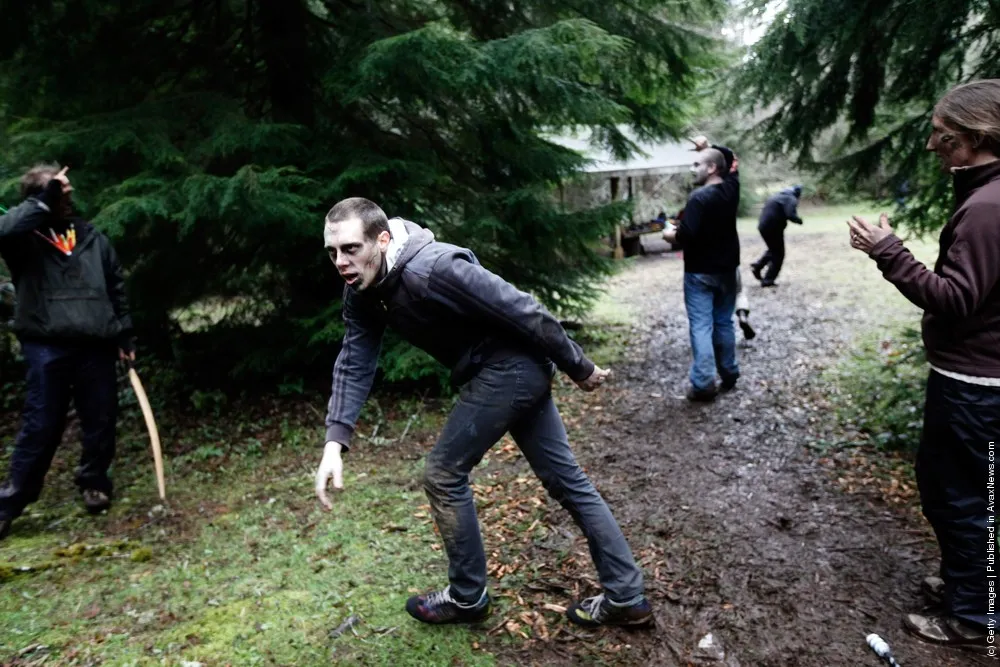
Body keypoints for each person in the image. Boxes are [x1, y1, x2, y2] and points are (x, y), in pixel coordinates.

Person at [314, 198, 651, 628]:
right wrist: (334, 441)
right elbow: (355, 358)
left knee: (442, 473)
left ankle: (467, 596)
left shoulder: (435, 269)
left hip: (511, 369)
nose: (340, 262)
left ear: (381, 239)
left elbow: (522, 308)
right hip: (503, 371)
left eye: (350, 249)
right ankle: (627, 596)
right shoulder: (363, 288)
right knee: (566, 479)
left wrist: (577, 366)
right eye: (332, 252)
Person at [847, 79, 1000, 652]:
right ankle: (971, 589)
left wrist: (888, 251)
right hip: (977, 379)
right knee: (950, 491)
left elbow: (957, 298)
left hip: (976, 387)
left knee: (963, 498)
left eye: (942, 136)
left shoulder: (988, 207)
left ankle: (973, 619)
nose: (933, 146)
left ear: (975, 137)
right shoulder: (986, 194)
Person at [0, 165, 134, 541]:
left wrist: (124, 336)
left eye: (67, 193)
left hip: (96, 343)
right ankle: (10, 503)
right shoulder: (23, 237)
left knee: (100, 418)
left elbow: (115, 285)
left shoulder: (89, 236)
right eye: (60, 193)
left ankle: (94, 483)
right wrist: (43, 200)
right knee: (41, 424)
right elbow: (4, 229)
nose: (68, 199)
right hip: (46, 344)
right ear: (40, 197)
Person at [662, 137, 741, 400]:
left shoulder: (699, 198)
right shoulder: (732, 188)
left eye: (696, 164)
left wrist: (668, 234)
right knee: (724, 323)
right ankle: (729, 373)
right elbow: (730, 158)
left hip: (699, 274)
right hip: (728, 270)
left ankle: (704, 384)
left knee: (701, 326)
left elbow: (686, 236)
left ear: (711, 169)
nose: (691, 169)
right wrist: (710, 145)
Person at [751, 185, 803, 286]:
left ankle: (758, 265)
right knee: (779, 254)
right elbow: (790, 214)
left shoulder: (777, 196)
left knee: (774, 249)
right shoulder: (791, 198)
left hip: (763, 226)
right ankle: (768, 280)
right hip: (773, 228)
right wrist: (798, 220)